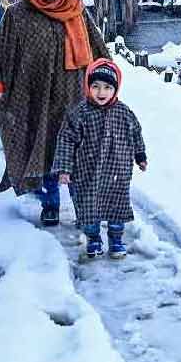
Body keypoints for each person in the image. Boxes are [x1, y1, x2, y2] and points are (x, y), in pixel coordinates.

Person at [0, 0, 110, 227]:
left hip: (74, 97)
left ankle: (85, 207)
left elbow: (99, 51)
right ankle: (50, 204)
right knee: (44, 154)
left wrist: (107, 81)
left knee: (79, 154)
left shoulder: (77, 12)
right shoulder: (18, 15)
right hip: (34, 97)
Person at [53, 59, 147, 259]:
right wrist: (64, 169)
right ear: (88, 87)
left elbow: (136, 134)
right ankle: (93, 238)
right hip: (87, 173)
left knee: (117, 208)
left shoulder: (124, 112)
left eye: (107, 87)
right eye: (95, 86)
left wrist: (140, 156)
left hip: (117, 173)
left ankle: (116, 240)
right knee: (89, 209)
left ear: (115, 89)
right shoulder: (79, 113)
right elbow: (66, 140)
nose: (101, 92)